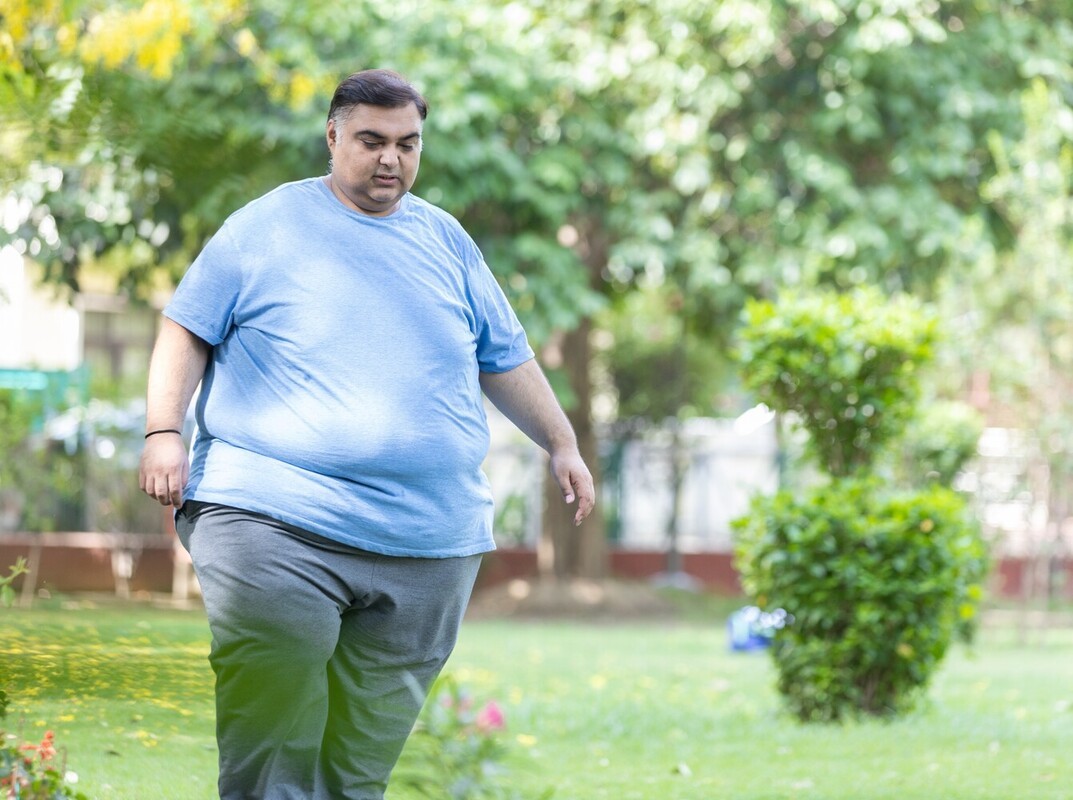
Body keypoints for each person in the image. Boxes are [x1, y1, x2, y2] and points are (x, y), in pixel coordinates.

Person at [138, 68, 595, 800]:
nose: (391, 159)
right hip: (272, 518)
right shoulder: (265, 226)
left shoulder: (445, 239)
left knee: (357, 771)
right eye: (371, 141)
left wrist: (561, 442)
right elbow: (185, 328)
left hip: (427, 539)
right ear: (332, 137)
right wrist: (164, 429)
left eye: (407, 144)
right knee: (276, 730)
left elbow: (504, 356)